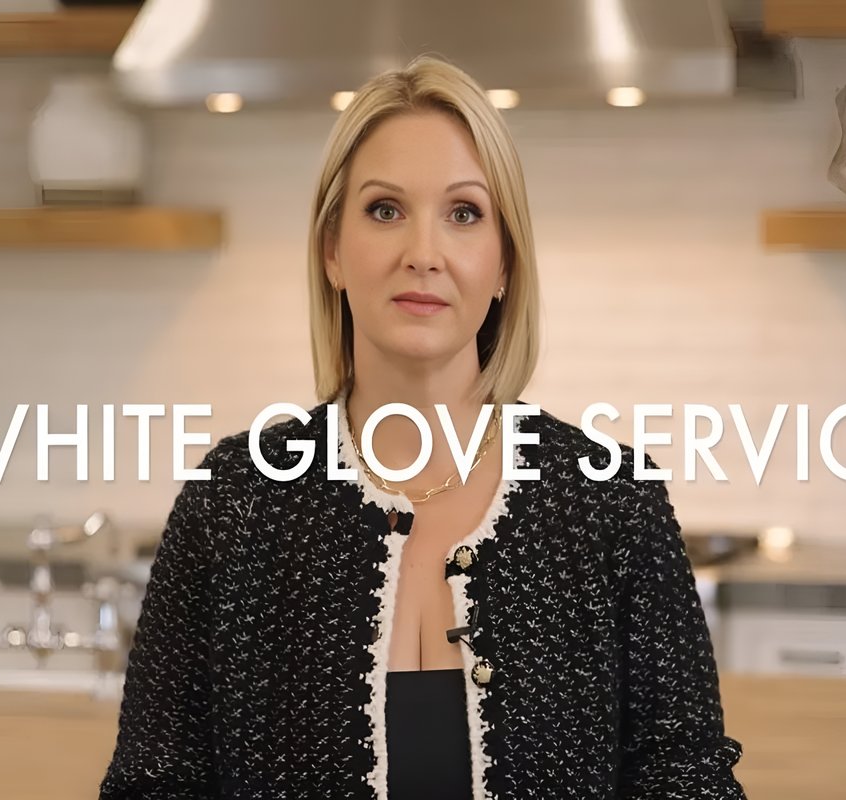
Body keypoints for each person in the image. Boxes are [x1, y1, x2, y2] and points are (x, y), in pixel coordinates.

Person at [99, 54, 745, 799]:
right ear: (332, 250)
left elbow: (688, 778)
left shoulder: (612, 502)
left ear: (505, 262)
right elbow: (152, 782)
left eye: (464, 214)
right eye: (384, 210)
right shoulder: (233, 502)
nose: (423, 254)